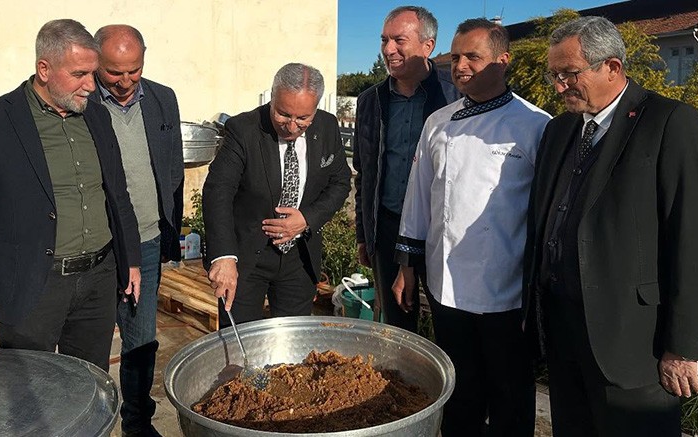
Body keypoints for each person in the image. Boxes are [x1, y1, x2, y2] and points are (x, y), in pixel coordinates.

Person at [523, 16, 698, 436]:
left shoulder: (670, 123)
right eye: (554, 75)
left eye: (569, 74)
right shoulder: (559, 130)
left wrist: (684, 346)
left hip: (635, 345)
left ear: (612, 67)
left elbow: (697, 241)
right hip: (563, 336)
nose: (559, 87)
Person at [0, 19, 141, 373]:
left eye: (93, 74)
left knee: (91, 383)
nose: (91, 85)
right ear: (44, 69)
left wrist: (131, 260)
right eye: (79, 74)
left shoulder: (97, 116)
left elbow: (116, 194)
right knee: (29, 391)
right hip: (32, 286)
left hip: (98, 281)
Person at [394, 18, 549, 436]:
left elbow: (547, 212)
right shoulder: (437, 123)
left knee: (510, 395)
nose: (461, 66)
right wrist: (406, 265)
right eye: (457, 56)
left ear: (502, 60)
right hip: (445, 284)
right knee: (459, 391)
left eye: (473, 57)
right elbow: (418, 196)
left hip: (506, 290)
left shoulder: (536, 126)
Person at [203, 63, 351, 325]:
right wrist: (224, 257)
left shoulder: (327, 126)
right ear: (272, 97)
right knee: (240, 342)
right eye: (283, 114)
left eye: (303, 118)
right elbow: (218, 191)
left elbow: (340, 183)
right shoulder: (244, 129)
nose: (292, 127)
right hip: (247, 258)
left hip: (299, 258)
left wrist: (307, 218)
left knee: (292, 342)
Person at [90, 24, 183, 437]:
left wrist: (169, 230)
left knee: (141, 339)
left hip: (145, 241)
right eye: (114, 72)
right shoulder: (81, 100)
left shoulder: (162, 99)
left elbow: (173, 166)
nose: (126, 81)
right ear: (96, 62)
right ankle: (90, 422)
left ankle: (138, 422)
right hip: (98, 244)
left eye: (135, 70)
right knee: (89, 342)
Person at [354, 5, 459, 332]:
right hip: (388, 229)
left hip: (440, 232)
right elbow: (364, 173)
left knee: (449, 322)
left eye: (399, 40)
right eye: (384, 40)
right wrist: (364, 235)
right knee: (398, 325)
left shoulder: (455, 97)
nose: (388, 49)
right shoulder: (370, 101)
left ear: (428, 46)